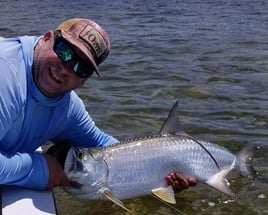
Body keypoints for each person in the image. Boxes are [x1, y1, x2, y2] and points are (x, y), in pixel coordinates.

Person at [0, 18, 196, 192]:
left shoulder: (67, 107)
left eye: (81, 67)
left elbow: (102, 146)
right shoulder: (7, 75)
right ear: (46, 38)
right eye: (65, 51)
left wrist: (161, 169)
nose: (66, 69)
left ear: (84, 81)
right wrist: (40, 169)